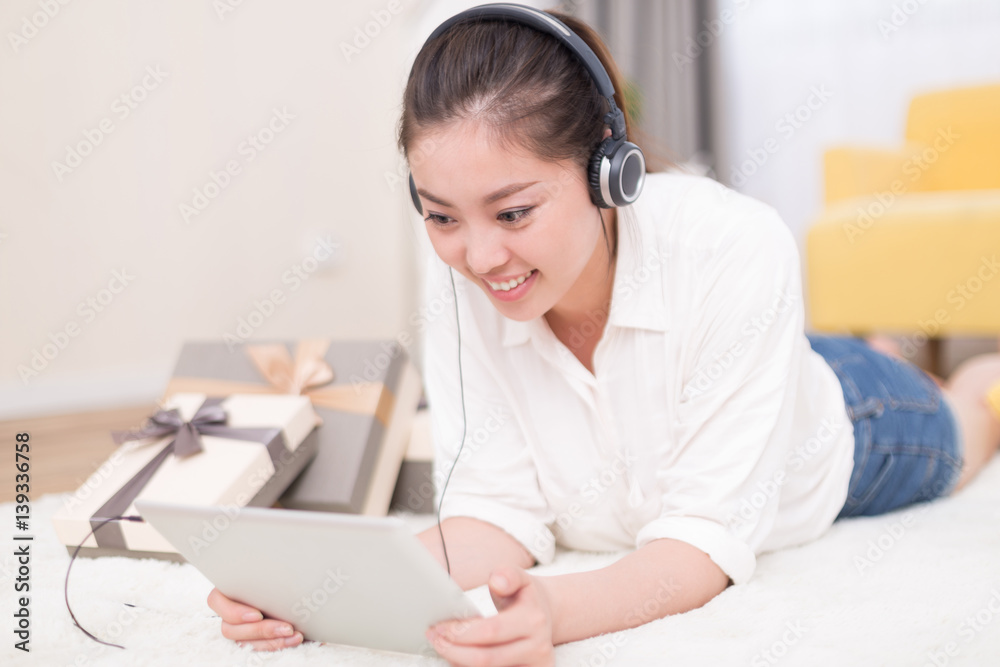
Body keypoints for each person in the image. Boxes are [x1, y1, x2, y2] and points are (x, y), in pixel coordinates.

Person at [207, 5, 1000, 665]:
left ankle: (951, 382)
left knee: (966, 432)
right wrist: (318, 592)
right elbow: (495, 508)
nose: (479, 257)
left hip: (845, 424)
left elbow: (701, 544)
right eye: (441, 215)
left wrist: (559, 608)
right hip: (740, 360)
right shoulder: (461, 265)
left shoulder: (737, 243)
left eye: (514, 212)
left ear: (608, 174)